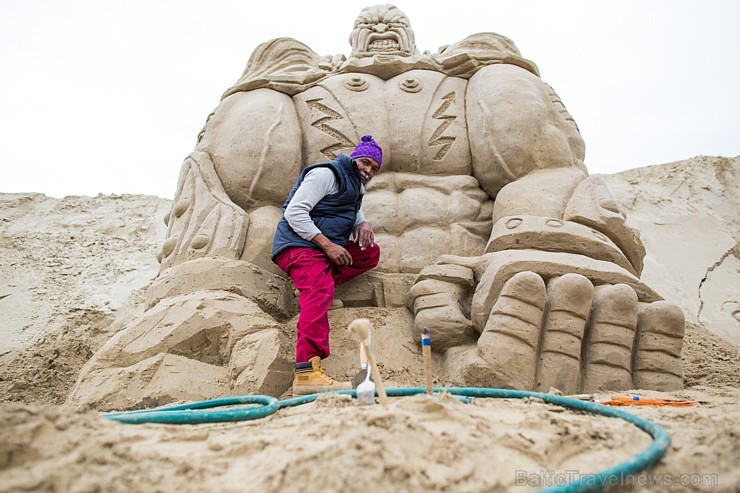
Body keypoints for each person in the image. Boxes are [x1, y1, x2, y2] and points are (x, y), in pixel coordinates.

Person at [271, 135, 383, 395]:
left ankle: (311, 285)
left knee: (369, 253)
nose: (368, 170)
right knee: (320, 291)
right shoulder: (326, 174)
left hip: (320, 250)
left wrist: (362, 224)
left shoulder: (355, 185)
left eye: (374, 168)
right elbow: (294, 212)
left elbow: (350, 211)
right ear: (354, 159)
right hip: (298, 246)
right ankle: (307, 374)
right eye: (365, 163)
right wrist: (328, 245)